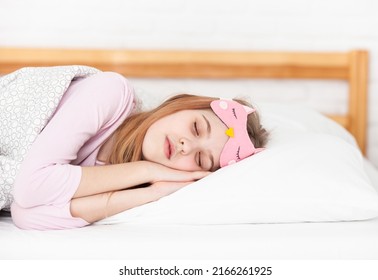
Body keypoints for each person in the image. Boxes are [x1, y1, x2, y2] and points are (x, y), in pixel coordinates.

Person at [9, 71, 268, 230]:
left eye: (201, 158)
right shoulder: (110, 91)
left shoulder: (126, 184)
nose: (186, 146)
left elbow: (24, 215)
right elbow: (30, 188)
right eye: (196, 128)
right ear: (182, 105)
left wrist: (155, 191)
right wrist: (146, 169)